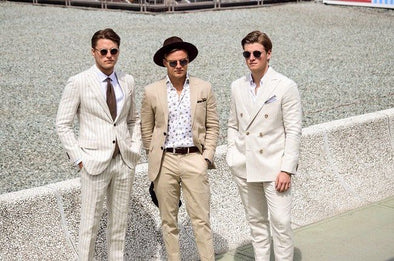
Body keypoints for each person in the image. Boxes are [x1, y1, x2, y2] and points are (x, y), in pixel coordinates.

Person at [56, 28, 141, 260]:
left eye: (113, 51)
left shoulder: (128, 80)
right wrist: (79, 159)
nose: (108, 55)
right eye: (103, 51)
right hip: (92, 164)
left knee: (119, 226)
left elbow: (134, 120)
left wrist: (134, 150)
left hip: (124, 162)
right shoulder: (78, 82)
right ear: (93, 52)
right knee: (89, 227)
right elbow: (62, 124)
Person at [140, 36, 219, 261]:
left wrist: (206, 158)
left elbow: (213, 126)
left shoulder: (204, 88)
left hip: (194, 158)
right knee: (168, 221)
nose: (178, 67)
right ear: (165, 62)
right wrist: (154, 157)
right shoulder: (151, 91)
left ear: (188, 62)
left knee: (201, 220)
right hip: (165, 161)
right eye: (173, 62)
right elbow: (146, 130)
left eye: (183, 62)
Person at [226, 31, 302, 261]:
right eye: (247, 54)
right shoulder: (236, 86)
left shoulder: (286, 86)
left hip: (275, 168)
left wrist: (287, 169)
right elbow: (232, 124)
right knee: (256, 225)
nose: (251, 58)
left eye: (257, 53)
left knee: (281, 224)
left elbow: (293, 130)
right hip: (245, 166)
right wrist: (232, 154)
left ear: (269, 54)